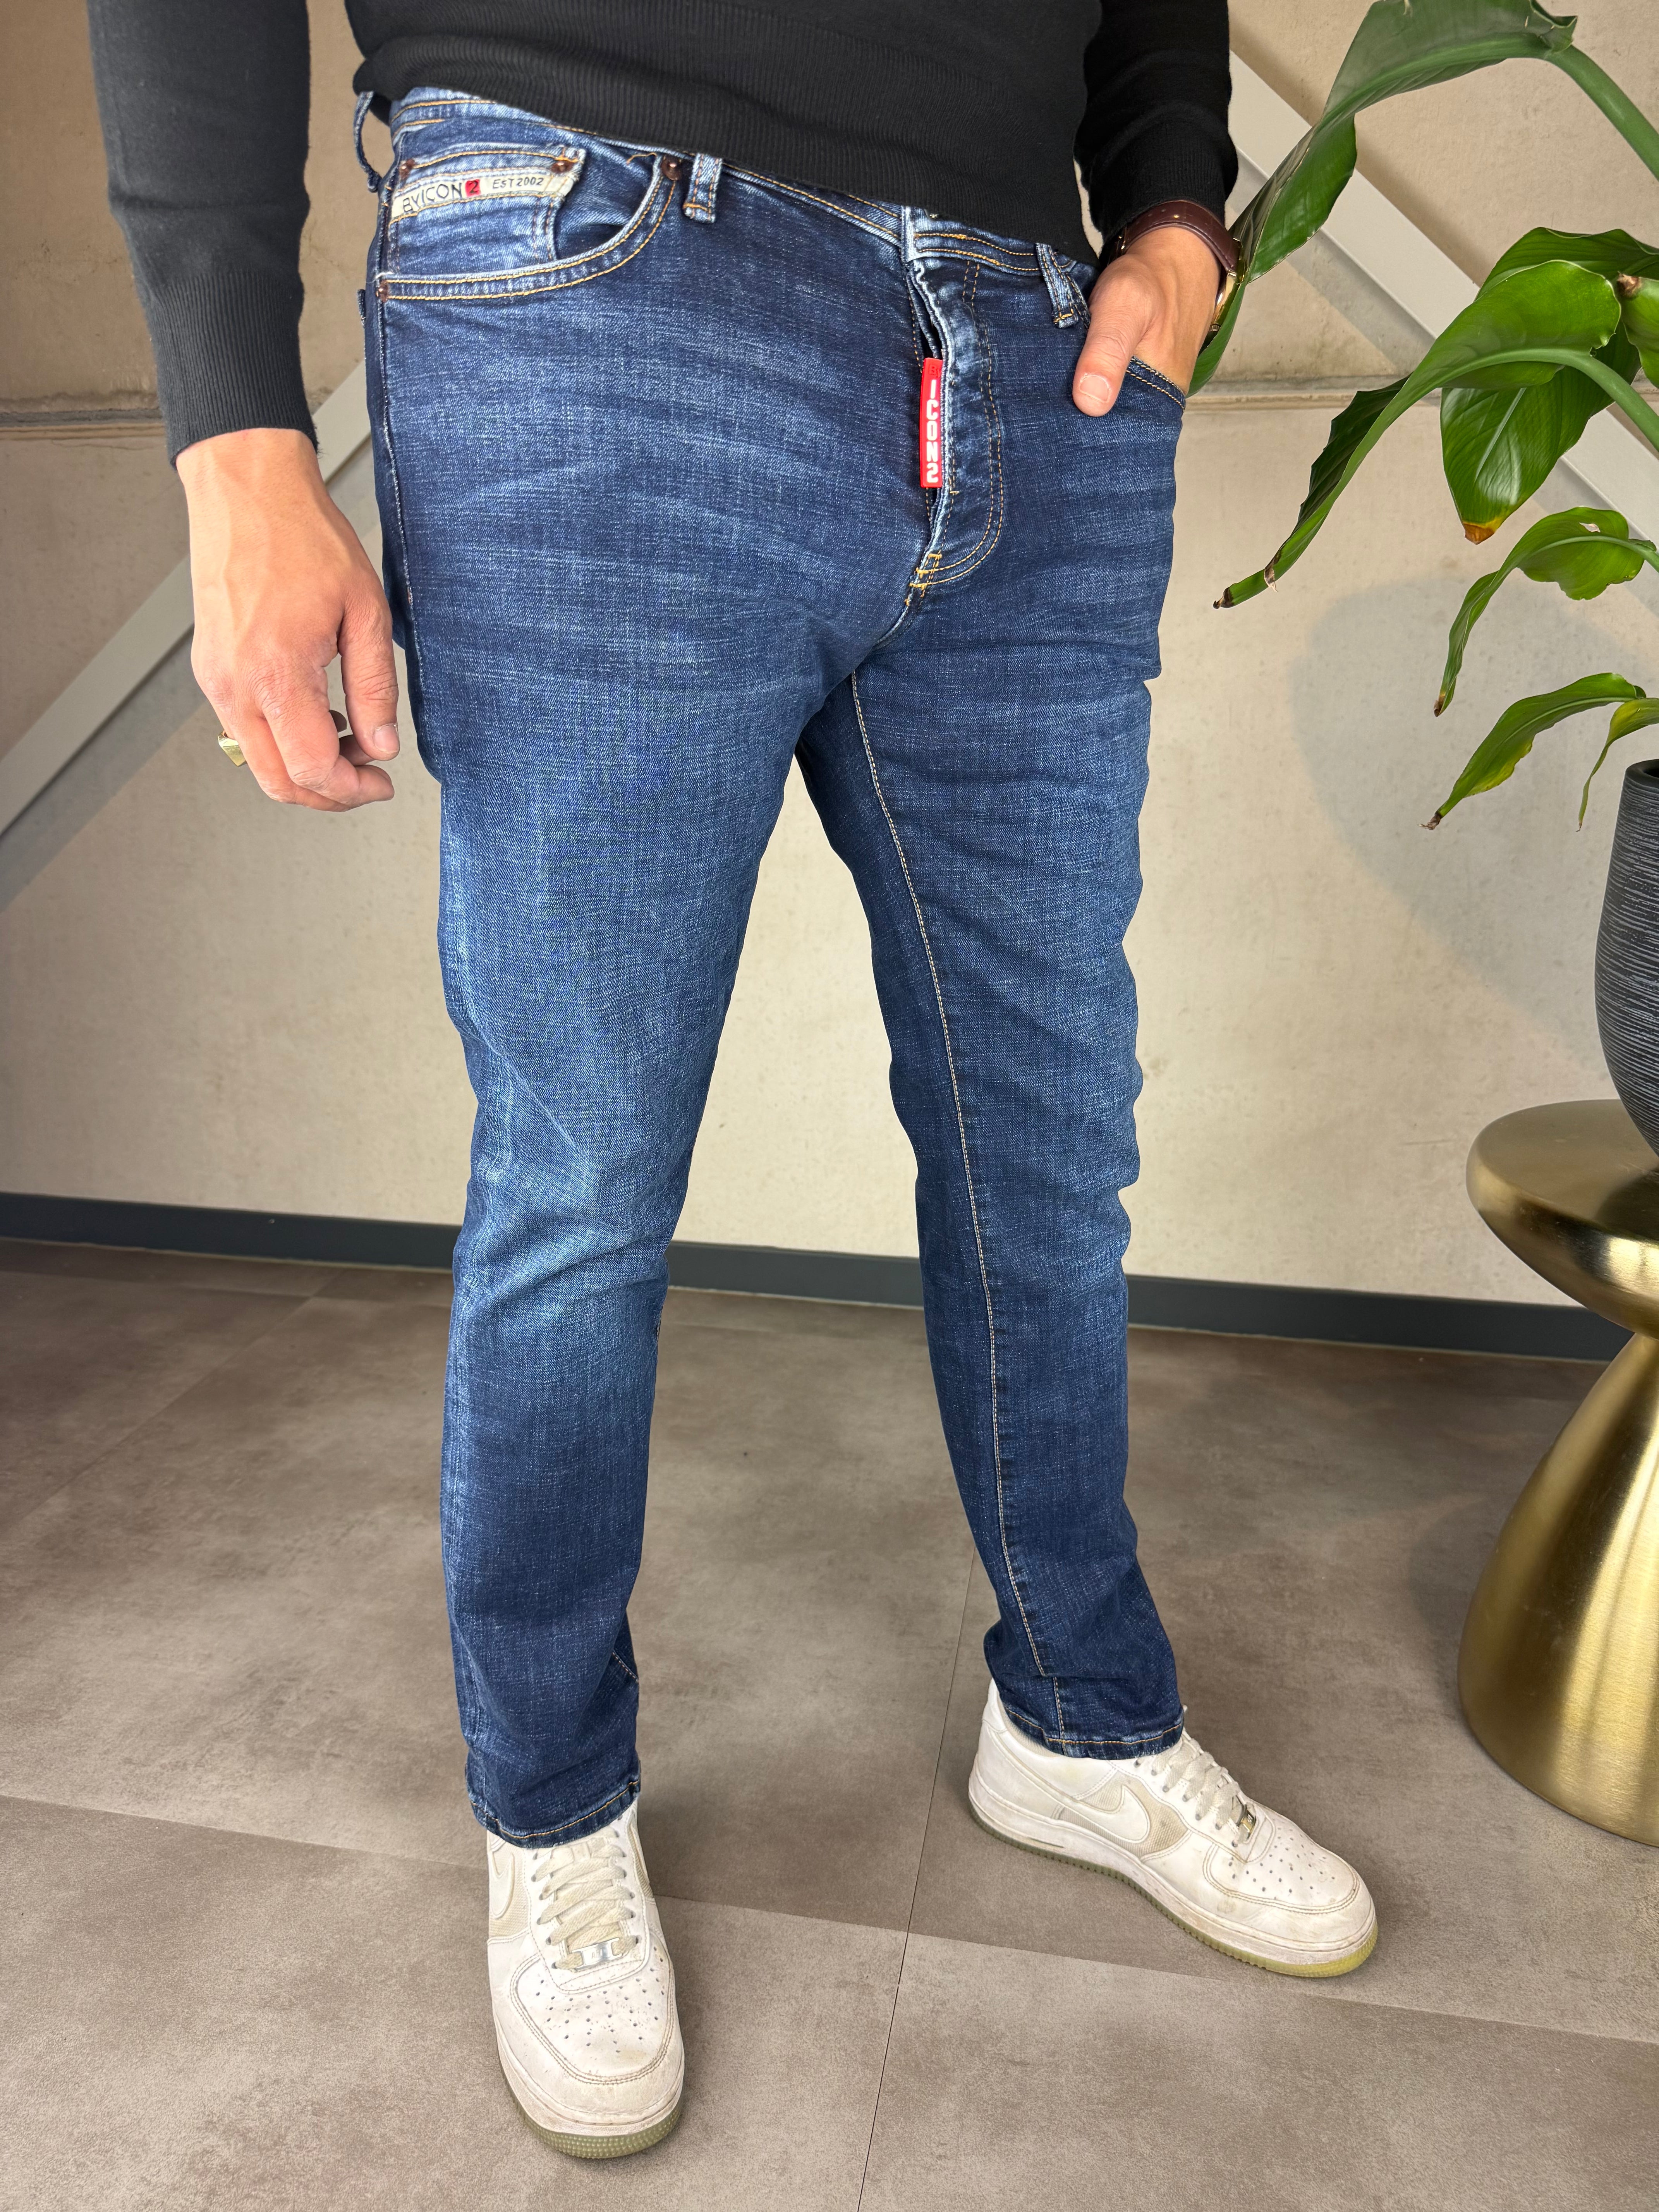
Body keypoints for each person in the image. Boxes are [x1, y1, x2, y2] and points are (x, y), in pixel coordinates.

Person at [87, 0, 1376, 2161]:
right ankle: (553, 1801)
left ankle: (1081, 1720)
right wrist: (236, 435)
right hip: (606, 270)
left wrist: (1175, 224)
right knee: (587, 1171)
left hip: (1032, 346)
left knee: (1049, 1143)